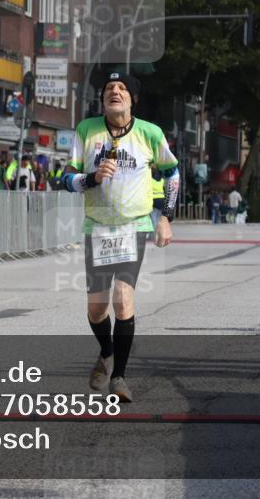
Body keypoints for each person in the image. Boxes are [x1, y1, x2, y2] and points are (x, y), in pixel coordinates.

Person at [62, 71, 179, 403]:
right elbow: (66, 178)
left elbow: (172, 173)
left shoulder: (149, 133)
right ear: (102, 98)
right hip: (97, 226)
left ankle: (119, 378)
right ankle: (108, 351)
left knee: (123, 299)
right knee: (97, 309)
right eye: (109, 88)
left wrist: (166, 218)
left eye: (122, 88)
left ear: (133, 99)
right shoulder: (87, 130)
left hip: (134, 225)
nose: (115, 91)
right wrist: (91, 178)